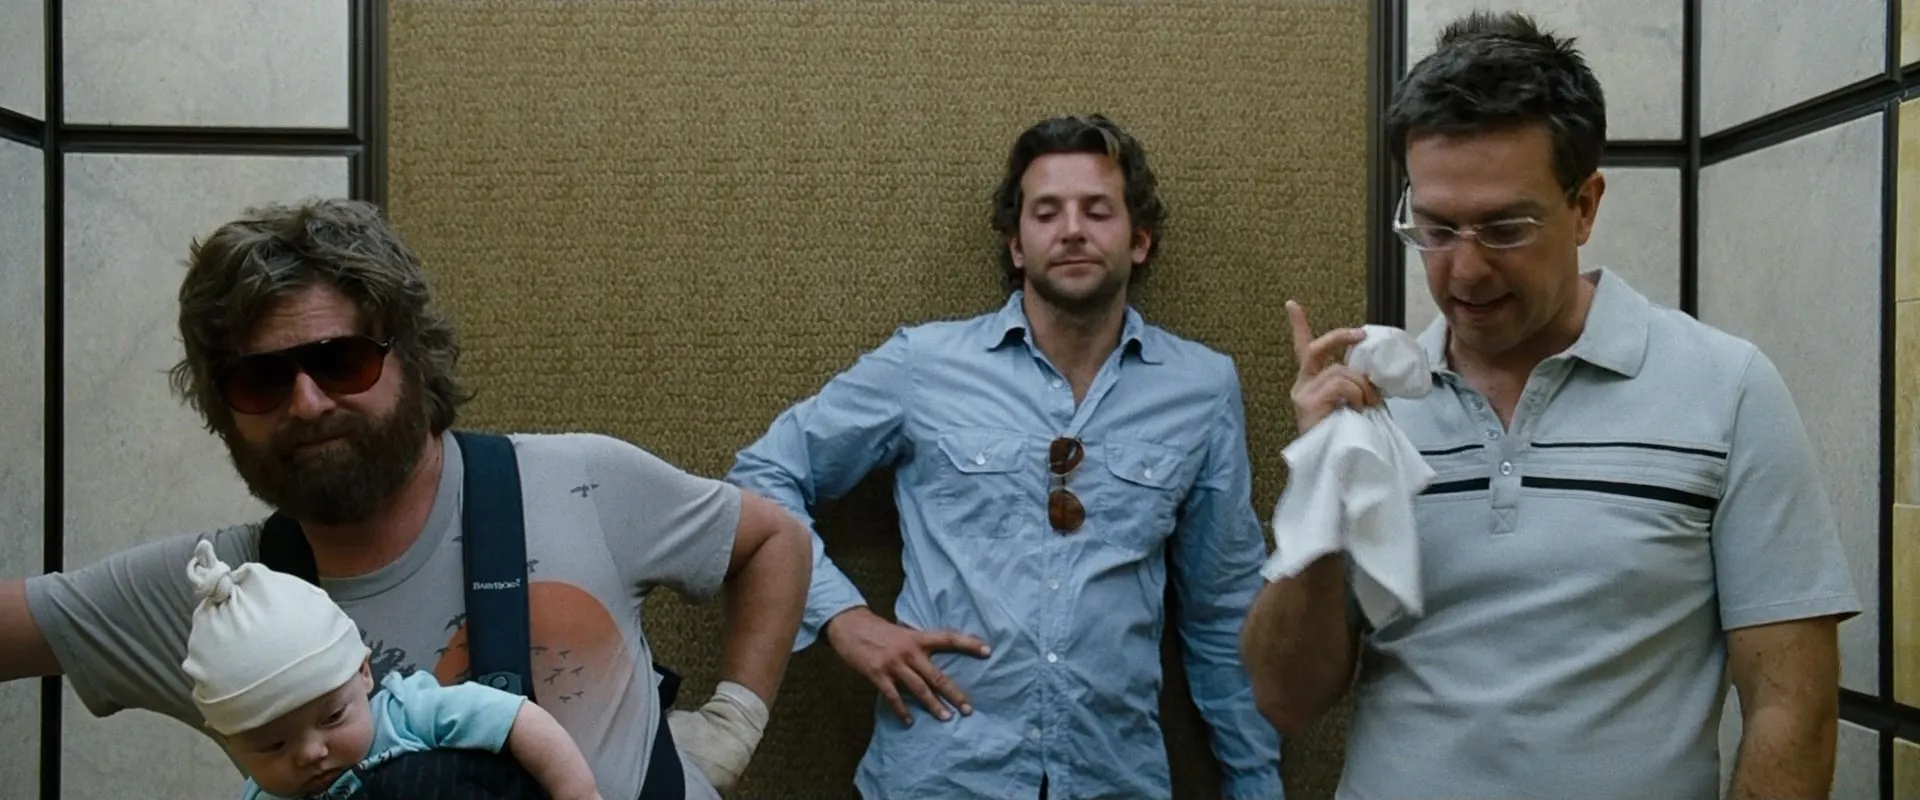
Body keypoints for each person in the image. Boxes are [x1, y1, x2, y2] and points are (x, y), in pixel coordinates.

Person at [0, 197, 813, 799]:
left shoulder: (584, 479)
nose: (307, 402)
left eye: (342, 361)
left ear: (414, 360)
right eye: (260, 379)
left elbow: (774, 541)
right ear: (224, 411)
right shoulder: (210, 593)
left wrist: (729, 730)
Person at [1242, 11, 1861, 800]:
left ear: (1585, 206)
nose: (1466, 270)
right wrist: (1319, 490)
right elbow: (1284, 700)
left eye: (1505, 228)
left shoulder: (1726, 388)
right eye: (1436, 228)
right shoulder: (1375, 409)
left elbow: (1790, 707)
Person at [726, 114, 1284, 799]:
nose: (1071, 230)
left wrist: (1256, 781)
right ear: (1017, 245)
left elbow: (1222, 609)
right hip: (940, 777)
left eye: (1097, 210)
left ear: (1139, 239)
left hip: (1114, 779)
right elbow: (763, 478)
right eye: (1046, 212)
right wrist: (846, 620)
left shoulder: (1201, 388)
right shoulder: (924, 365)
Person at [181, 539, 600, 800]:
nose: (311, 753)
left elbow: (516, 718)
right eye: (273, 745)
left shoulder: (407, 714)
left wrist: (577, 791)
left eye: (332, 717)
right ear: (227, 741)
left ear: (364, 672)